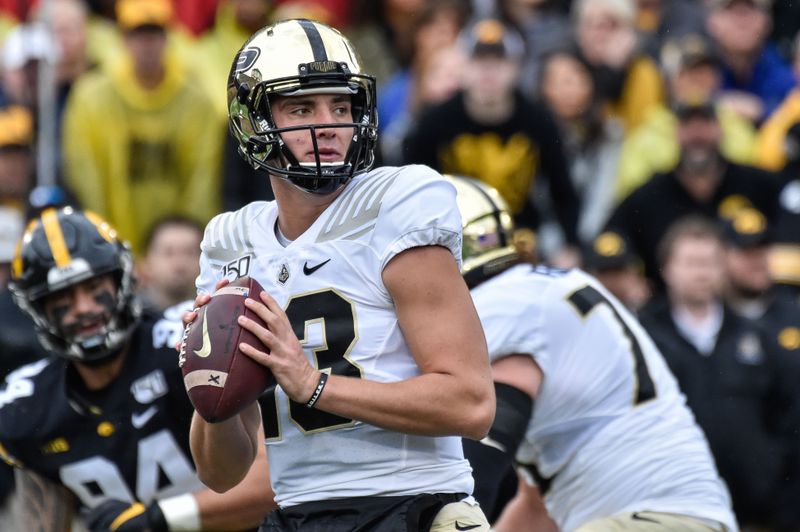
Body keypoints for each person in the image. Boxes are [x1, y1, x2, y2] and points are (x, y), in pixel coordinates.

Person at [187, 18, 495, 532]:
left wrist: (313, 385)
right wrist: (210, 387)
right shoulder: (230, 242)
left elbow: (471, 401)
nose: (327, 123)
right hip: (294, 514)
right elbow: (222, 474)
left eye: (342, 105)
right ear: (255, 121)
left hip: (416, 502)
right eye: (301, 107)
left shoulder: (396, 202)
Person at [449, 175, 737, 531]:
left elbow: (478, 470)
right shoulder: (540, 290)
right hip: (680, 516)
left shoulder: (502, 305)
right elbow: (537, 510)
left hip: (655, 515)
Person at [0, 207, 273, 530]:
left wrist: (158, 519)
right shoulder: (27, 406)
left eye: (94, 287)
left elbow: (274, 482)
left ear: (123, 279)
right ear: (38, 310)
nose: (84, 308)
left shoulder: (189, 341)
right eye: (62, 298)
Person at [639, 215, 794, 527]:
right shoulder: (643, 338)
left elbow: (787, 414)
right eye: (692, 263)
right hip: (674, 505)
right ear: (667, 269)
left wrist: (774, 472)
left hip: (757, 508)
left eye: (710, 262)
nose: (702, 273)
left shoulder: (757, 336)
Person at [403, 18, 580, 260]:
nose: (487, 73)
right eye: (478, 62)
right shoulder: (434, 122)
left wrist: (571, 246)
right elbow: (413, 191)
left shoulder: (539, 121)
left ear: (516, 68)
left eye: (498, 63)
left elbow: (563, 192)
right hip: (452, 239)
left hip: (522, 240)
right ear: (463, 67)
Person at [61, 0, 223, 255]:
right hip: (109, 247)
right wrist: (110, 243)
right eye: (138, 34)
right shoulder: (91, 97)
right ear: (123, 38)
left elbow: (202, 185)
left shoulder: (196, 103)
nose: (147, 44)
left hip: (176, 257)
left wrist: (181, 249)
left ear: (168, 37)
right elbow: (86, 179)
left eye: (155, 33)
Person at [604, 96, 783, 287]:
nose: (697, 135)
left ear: (720, 129)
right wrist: (632, 282)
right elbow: (610, 243)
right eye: (688, 126)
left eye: (705, 124)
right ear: (676, 133)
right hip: (665, 308)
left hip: (750, 304)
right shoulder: (648, 196)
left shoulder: (759, 184)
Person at [138, 216, 204, 313]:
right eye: (168, 253)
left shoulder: (219, 315)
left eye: (190, 252)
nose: (179, 264)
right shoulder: (126, 318)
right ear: (146, 261)